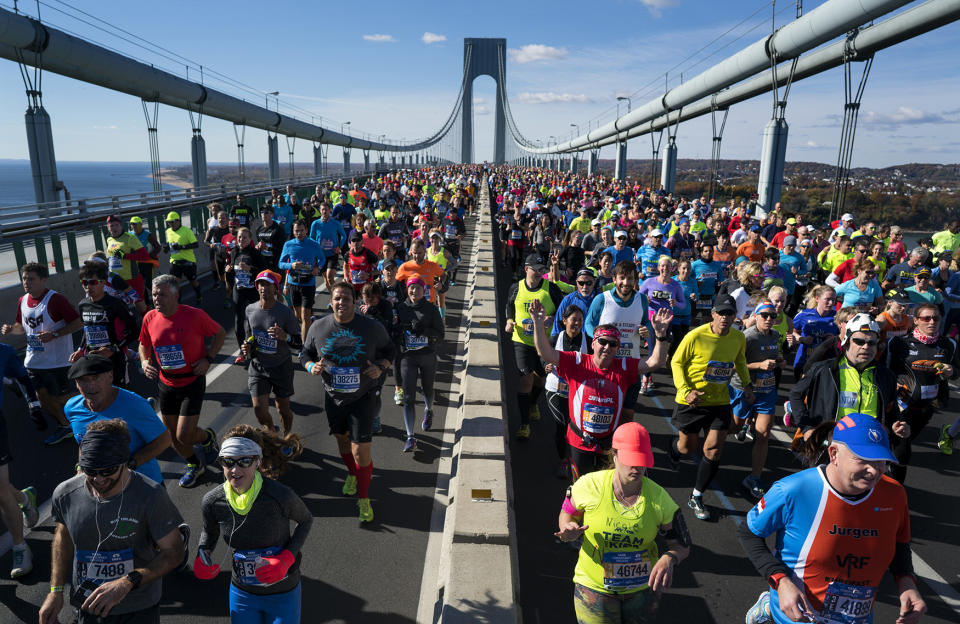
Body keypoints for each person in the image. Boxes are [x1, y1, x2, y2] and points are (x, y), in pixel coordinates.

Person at [738, 413, 926, 624]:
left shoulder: (894, 494)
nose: (874, 470)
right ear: (834, 453)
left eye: (880, 460)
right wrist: (780, 581)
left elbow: (900, 543)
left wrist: (906, 581)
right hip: (799, 614)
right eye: (863, 459)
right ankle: (770, 607)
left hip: (858, 617)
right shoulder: (793, 490)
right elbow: (749, 532)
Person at [39, 420, 187, 624]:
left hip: (136, 609)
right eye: (90, 470)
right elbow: (63, 537)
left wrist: (127, 582)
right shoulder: (66, 494)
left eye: (107, 471)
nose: (99, 479)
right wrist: (55, 591)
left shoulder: (151, 496)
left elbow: (174, 552)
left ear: (124, 462)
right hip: (87, 606)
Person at [555, 423, 691, 623]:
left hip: (641, 591)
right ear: (615, 455)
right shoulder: (588, 485)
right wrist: (567, 529)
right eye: (630, 461)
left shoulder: (660, 499)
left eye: (641, 461)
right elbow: (566, 515)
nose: (636, 467)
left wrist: (669, 558)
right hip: (594, 587)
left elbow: (682, 545)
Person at [530, 298, 671, 482]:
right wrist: (538, 324)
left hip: (609, 443)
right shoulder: (577, 361)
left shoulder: (624, 366)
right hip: (579, 442)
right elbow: (544, 352)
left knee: (605, 491)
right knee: (580, 491)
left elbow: (656, 362)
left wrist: (660, 335)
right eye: (603, 342)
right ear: (593, 344)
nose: (607, 347)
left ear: (618, 348)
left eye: (613, 344)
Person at [195, 425, 310, 624]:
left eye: (244, 461)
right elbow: (208, 531)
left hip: (283, 592)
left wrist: (286, 558)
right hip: (243, 593)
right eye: (228, 461)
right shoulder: (213, 501)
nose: (235, 470)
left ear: (258, 462)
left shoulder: (279, 495)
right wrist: (202, 553)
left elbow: (306, 520)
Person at [300, 282, 395, 523]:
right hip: (333, 398)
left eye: (346, 299)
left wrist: (381, 367)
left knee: (359, 450)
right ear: (331, 302)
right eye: (337, 298)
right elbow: (305, 354)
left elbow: (390, 350)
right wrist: (311, 366)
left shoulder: (371, 327)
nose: (341, 303)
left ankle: (363, 498)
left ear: (355, 303)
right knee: (342, 443)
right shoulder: (318, 327)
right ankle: (352, 474)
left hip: (362, 397)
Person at [668, 294, 754, 521]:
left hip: (720, 400)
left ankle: (697, 495)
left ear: (736, 316)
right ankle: (675, 449)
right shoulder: (695, 336)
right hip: (692, 400)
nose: (725, 317)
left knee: (714, 450)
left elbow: (740, 361)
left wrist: (747, 384)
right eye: (721, 313)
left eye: (730, 313)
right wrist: (685, 391)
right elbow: (676, 362)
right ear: (713, 314)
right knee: (687, 448)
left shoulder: (738, 337)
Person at [139, 274, 226, 488]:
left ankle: (206, 438)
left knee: (185, 434)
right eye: (154, 294)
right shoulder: (149, 317)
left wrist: (209, 359)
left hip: (192, 381)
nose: (156, 299)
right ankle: (195, 465)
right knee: (173, 438)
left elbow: (220, 333)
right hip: (166, 383)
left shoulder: (194, 316)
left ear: (176, 295)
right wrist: (143, 361)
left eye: (162, 294)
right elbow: (143, 344)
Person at [2, 261, 83, 446]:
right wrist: (11, 329)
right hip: (34, 360)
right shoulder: (22, 300)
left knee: (61, 397)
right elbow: (21, 327)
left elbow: (77, 323)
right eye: (24, 279)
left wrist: (54, 334)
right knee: (42, 398)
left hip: (57, 361)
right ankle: (65, 426)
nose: (26, 282)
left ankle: (96, 403)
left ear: (43, 280)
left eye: (31, 279)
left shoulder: (55, 300)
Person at [64, 354, 171, 485]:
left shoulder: (135, 405)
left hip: (143, 484)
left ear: (110, 376)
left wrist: (128, 466)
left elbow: (164, 440)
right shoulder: (71, 408)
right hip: (100, 487)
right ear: (76, 383)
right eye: (83, 380)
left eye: (96, 378)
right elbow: (83, 441)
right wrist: (81, 467)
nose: (90, 386)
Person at [790, 313, 903, 437]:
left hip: (869, 441)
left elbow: (892, 409)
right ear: (847, 343)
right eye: (859, 341)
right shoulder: (824, 369)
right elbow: (796, 394)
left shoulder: (886, 376)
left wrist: (895, 426)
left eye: (872, 343)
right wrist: (807, 428)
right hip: (831, 441)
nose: (866, 347)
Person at [887, 302, 956, 482]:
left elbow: (957, 371)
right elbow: (886, 370)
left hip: (926, 408)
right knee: (903, 452)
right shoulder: (899, 343)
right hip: (901, 407)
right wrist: (891, 386)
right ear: (916, 320)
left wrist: (952, 371)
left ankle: (887, 462)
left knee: (905, 442)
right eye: (926, 318)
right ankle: (895, 487)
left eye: (936, 318)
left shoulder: (949, 344)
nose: (931, 322)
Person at [505, 253, 566, 440]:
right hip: (521, 341)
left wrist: (552, 319)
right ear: (526, 270)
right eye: (535, 270)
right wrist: (509, 320)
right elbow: (509, 306)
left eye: (542, 270)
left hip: (544, 344)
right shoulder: (516, 287)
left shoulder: (552, 289)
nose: (539, 273)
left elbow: (563, 312)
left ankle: (532, 403)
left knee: (540, 381)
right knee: (526, 379)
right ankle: (524, 424)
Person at [238, 271, 302, 436]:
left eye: (267, 284)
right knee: (259, 409)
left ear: (276, 289)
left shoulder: (285, 312)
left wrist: (284, 336)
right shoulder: (250, 309)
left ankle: (287, 434)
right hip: (258, 367)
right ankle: (273, 433)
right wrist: (246, 348)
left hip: (281, 366)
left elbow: (298, 342)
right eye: (260, 284)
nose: (263, 287)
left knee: (283, 408)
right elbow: (249, 337)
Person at [730, 300, 782, 500]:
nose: (769, 319)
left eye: (773, 316)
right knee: (734, 428)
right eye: (765, 315)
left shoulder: (776, 335)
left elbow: (774, 356)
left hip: (766, 390)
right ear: (756, 316)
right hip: (743, 388)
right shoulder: (747, 337)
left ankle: (754, 478)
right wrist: (759, 365)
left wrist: (779, 362)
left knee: (764, 434)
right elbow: (734, 365)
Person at [0, 341, 43, 578]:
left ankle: (20, 547)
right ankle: (25, 498)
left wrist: (34, 405)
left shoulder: (3, 351)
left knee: (0, 491)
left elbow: (23, 378)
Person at [71, 261, 139, 388]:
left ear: (103, 282)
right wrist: (81, 349)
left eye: (93, 282)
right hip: (93, 358)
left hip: (115, 358)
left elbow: (134, 331)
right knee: (99, 395)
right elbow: (87, 330)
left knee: (120, 394)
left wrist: (113, 348)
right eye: (85, 283)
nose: (88, 287)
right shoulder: (82, 305)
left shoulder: (115, 304)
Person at [395, 277, 444, 452]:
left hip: (427, 355)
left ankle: (429, 410)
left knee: (427, 388)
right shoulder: (401, 308)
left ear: (424, 290)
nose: (414, 291)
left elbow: (441, 334)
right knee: (408, 398)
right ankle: (410, 436)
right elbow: (394, 329)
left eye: (417, 288)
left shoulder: (430, 309)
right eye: (411, 288)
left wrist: (425, 330)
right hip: (408, 357)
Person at [544, 305, 588, 478]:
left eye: (579, 320)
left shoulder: (588, 340)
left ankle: (576, 458)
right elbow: (543, 356)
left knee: (576, 427)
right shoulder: (555, 339)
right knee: (562, 425)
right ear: (564, 321)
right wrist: (545, 365)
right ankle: (564, 459)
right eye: (573, 319)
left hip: (577, 391)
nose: (576, 323)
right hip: (555, 389)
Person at [278, 219, 326, 344]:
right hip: (294, 283)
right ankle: (309, 325)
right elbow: (280, 264)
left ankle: (304, 347)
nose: (299, 233)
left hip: (308, 283)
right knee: (298, 315)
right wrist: (291, 266)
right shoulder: (288, 245)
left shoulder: (313, 244)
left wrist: (318, 268)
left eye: (301, 230)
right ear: (293, 232)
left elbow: (322, 259)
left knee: (305, 315)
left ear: (306, 230)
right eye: (296, 231)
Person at [227, 228, 267, 360]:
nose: (241, 240)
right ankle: (241, 350)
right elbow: (231, 275)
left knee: (252, 320)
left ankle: (253, 346)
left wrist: (250, 269)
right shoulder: (234, 252)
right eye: (239, 237)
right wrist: (228, 271)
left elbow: (263, 271)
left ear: (250, 239)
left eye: (244, 238)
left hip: (252, 291)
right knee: (238, 320)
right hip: (239, 290)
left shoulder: (254, 253)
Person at [792, 285, 839, 372]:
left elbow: (844, 338)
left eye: (833, 300)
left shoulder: (837, 316)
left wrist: (834, 339)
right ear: (817, 299)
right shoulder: (804, 314)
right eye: (827, 299)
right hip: (804, 361)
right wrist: (802, 339)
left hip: (826, 363)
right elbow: (792, 331)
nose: (831, 303)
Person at [105, 214, 150, 302]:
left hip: (132, 279)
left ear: (121, 226)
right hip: (116, 279)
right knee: (119, 306)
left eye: (117, 225)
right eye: (111, 226)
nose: (114, 228)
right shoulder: (109, 239)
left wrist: (125, 256)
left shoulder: (130, 238)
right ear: (108, 228)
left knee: (140, 306)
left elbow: (145, 256)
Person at [163, 211, 204, 305]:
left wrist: (181, 247)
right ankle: (178, 304)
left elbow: (195, 244)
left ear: (178, 221)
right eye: (168, 222)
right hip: (174, 261)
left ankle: (198, 294)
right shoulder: (168, 231)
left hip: (188, 261)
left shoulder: (187, 231)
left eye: (172, 222)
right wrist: (167, 248)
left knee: (193, 281)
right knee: (175, 285)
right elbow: (171, 244)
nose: (170, 224)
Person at [309, 202, 347, 295]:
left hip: (332, 254)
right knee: (327, 280)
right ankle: (332, 297)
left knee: (330, 277)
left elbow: (344, 235)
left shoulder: (335, 223)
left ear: (330, 210)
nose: (324, 211)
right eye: (322, 209)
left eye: (326, 209)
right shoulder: (315, 224)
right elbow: (311, 238)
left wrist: (339, 246)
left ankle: (337, 295)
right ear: (320, 211)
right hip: (321, 256)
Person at [129, 216, 161, 305]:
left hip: (147, 263)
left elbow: (158, 248)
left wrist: (148, 256)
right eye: (132, 224)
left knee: (149, 284)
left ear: (141, 224)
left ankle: (160, 298)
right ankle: (147, 305)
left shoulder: (148, 234)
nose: (134, 226)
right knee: (140, 285)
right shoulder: (130, 235)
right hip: (136, 264)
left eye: (136, 224)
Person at [344, 231, 380, 296]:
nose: (356, 243)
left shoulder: (368, 254)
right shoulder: (348, 254)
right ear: (351, 242)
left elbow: (380, 269)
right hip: (352, 287)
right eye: (353, 240)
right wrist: (345, 276)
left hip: (365, 288)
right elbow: (345, 265)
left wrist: (369, 274)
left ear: (362, 241)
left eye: (358, 240)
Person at [255, 204, 288, 273]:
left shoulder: (278, 229)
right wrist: (257, 247)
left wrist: (267, 248)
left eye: (266, 212)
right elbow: (259, 244)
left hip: (275, 264)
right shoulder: (259, 229)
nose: (263, 214)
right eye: (262, 212)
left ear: (272, 215)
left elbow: (282, 249)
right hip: (263, 263)